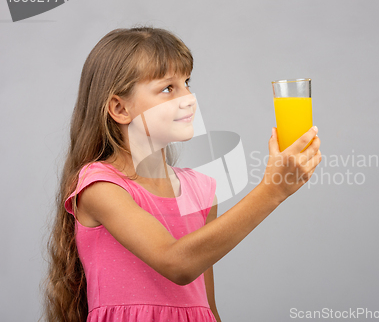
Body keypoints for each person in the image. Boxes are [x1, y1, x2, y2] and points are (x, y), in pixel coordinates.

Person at [43, 26, 322, 322]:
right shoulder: (100, 186)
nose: (189, 98)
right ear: (119, 108)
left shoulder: (201, 191)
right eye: (168, 88)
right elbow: (177, 264)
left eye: (187, 83)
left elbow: (206, 308)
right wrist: (273, 190)